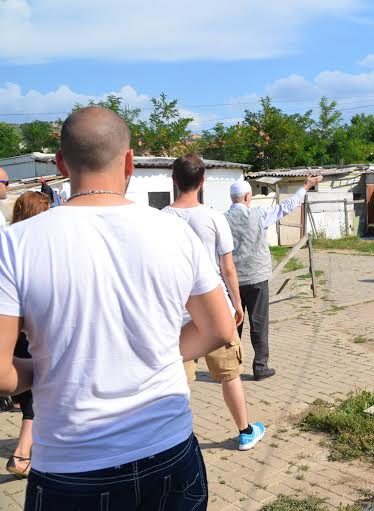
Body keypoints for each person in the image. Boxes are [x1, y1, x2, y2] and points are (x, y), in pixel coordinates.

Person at [0, 106, 234, 510]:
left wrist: (45, 368)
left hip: (71, 468)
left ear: (60, 163)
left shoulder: (16, 244)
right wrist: (159, 350)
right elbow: (219, 328)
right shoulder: (174, 232)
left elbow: (2, 376)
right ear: (129, 161)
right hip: (171, 451)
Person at [164, 153, 265, 450]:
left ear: (173, 180)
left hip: (177, 311)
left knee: (178, 381)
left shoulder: (159, 219)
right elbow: (228, 268)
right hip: (213, 308)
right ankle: (245, 431)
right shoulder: (213, 218)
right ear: (203, 181)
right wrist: (236, 304)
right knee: (229, 374)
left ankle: (175, 440)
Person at [225, 174, 322, 380]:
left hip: (232, 281)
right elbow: (286, 207)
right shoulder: (259, 215)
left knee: (234, 323)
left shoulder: (221, 220)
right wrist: (305, 186)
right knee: (258, 323)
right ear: (247, 197)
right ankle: (260, 367)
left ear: (232, 198)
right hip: (257, 278)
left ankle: (230, 366)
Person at [5, 192, 49, 478]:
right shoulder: (38, 246)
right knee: (36, 401)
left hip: (13, 336)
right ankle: (21, 455)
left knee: (33, 400)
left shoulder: (9, 241)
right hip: (28, 334)